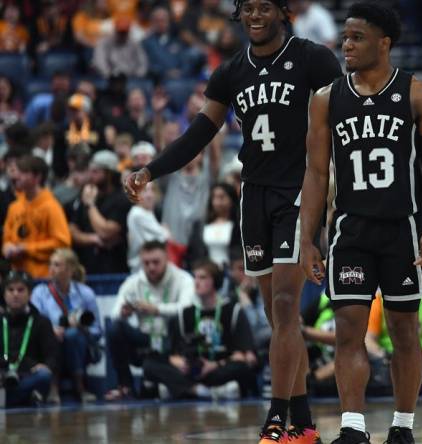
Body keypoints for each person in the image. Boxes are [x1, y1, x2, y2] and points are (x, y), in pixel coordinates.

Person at [122, 0, 342, 441]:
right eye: (248, 8)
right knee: (278, 316)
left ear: (283, 12)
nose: (256, 16)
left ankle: (276, 418)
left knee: (283, 305)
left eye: (265, 7)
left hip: (301, 191)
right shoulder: (230, 72)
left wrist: (332, 204)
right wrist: (151, 170)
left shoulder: (314, 58)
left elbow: (341, 121)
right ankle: (303, 424)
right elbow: (200, 134)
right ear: (239, 15)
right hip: (253, 196)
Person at [298, 3, 422, 443]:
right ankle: (353, 427)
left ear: (384, 43)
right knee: (348, 330)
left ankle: (402, 426)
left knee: (404, 330)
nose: (346, 45)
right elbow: (315, 173)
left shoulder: (421, 95)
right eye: (344, 37)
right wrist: (307, 238)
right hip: (350, 229)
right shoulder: (327, 99)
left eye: (356, 37)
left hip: (402, 227)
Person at [142, 260, 258, 399]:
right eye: (195, 277)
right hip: (192, 370)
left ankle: (181, 389)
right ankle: (202, 391)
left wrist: (214, 365)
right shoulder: (184, 314)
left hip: (218, 367)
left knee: (242, 367)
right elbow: (173, 355)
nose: (197, 282)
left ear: (215, 281)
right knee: (149, 365)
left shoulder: (233, 310)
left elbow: (245, 356)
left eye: (202, 278)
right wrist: (182, 364)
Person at [107, 240, 196, 400]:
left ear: (167, 258)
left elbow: (187, 309)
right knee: (115, 327)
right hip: (146, 338)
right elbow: (114, 314)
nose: (151, 267)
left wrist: (156, 309)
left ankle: (168, 382)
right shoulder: (133, 283)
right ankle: (125, 386)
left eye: (156, 262)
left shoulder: (183, 279)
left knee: (180, 321)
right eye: (146, 263)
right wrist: (124, 313)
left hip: (172, 340)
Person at [30, 249, 101, 403]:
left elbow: (97, 330)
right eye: (50, 264)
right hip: (50, 345)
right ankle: (53, 386)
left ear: (70, 269)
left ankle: (80, 386)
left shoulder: (86, 293)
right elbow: (33, 326)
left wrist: (82, 328)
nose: (51, 269)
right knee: (55, 337)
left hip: (79, 345)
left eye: (56, 265)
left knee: (72, 335)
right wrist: (50, 331)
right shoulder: (40, 293)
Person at [365, 289, 422, 394]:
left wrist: (417, 356)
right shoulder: (379, 300)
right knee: (363, 359)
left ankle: (415, 377)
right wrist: (383, 356)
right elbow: (368, 339)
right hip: (389, 355)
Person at [3, 155, 72, 278]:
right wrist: (7, 247)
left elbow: (62, 242)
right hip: (17, 277)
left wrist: (27, 248)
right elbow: (7, 238)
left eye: (23, 172)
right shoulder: (14, 207)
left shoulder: (51, 206)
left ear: (37, 177)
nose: (17, 176)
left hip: (43, 276)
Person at [68, 150, 132, 274]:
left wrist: (91, 205)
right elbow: (72, 230)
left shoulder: (121, 199)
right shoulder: (86, 194)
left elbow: (106, 232)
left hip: (113, 268)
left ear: (109, 173)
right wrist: (93, 239)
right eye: (90, 171)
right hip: (86, 267)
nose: (91, 176)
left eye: (96, 172)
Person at [1, 271, 58, 407]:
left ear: (30, 294)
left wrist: (46, 366)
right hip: (2, 377)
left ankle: (11, 399)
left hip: (27, 376)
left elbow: (53, 355)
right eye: (11, 290)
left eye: (21, 290)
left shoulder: (41, 322)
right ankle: (23, 399)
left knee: (43, 376)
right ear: (4, 294)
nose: (15, 294)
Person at [126, 182, 169, 272]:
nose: (149, 195)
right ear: (136, 194)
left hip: (151, 266)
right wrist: (165, 230)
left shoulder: (148, 213)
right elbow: (164, 237)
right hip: (141, 268)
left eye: (152, 190)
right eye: (145, 190)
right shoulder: (137, 213)